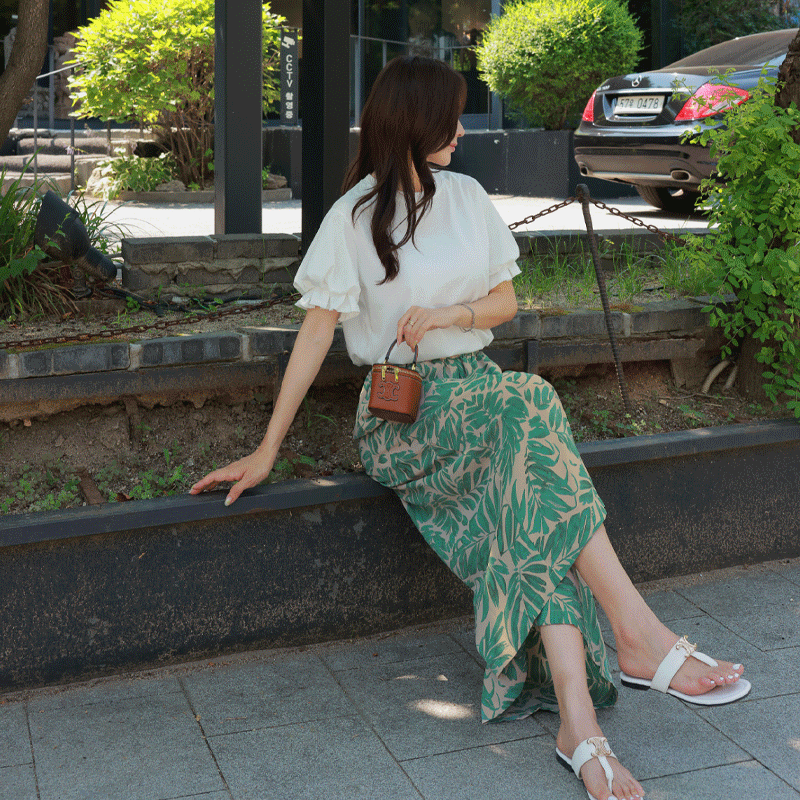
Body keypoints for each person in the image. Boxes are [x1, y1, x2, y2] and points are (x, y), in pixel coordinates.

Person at [190, 55, 750, 800]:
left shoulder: (466, 196)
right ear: (414, 123)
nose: (460, 132)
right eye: (450, 119)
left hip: (483, 395)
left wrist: (452, 314)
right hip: (406, 416)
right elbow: (317, 333)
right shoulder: (353, 216)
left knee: (530, 492)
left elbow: (504, 303)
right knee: (532, 406)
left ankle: (579, 725)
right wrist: (267, 449)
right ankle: (639, 635)